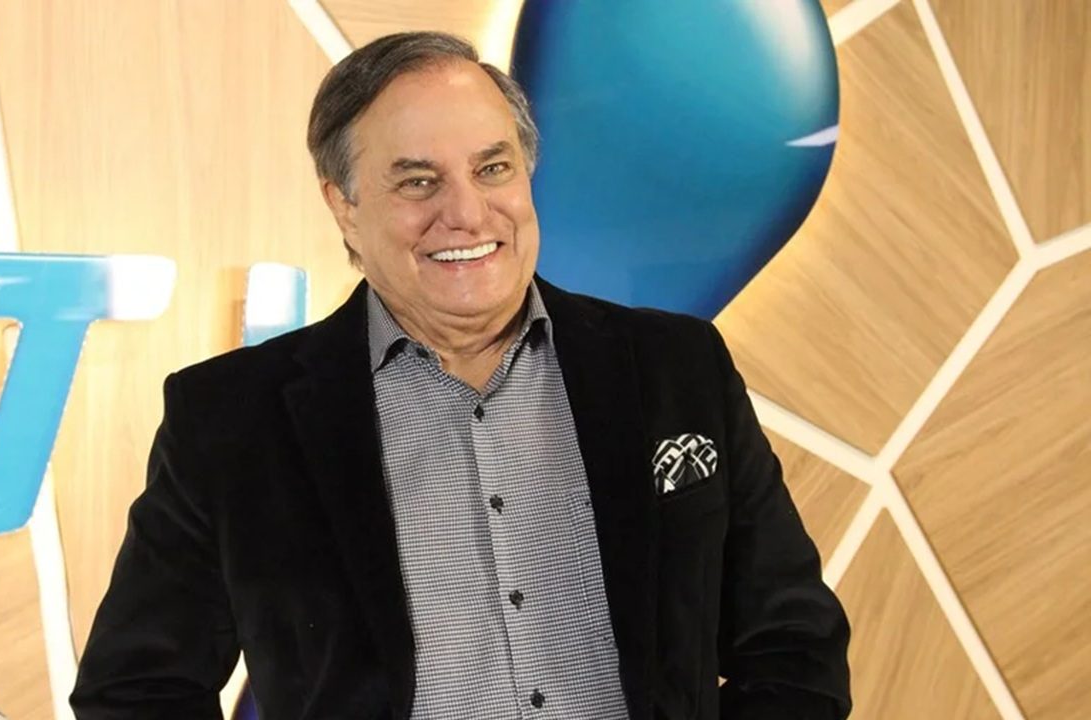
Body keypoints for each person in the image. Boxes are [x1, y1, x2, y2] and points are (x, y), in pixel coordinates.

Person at [71, 31, 851, 720]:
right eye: (418, 181)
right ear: (344, 207)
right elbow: (137, 690)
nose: (468, 213)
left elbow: (794, 644)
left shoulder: (676, 368)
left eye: (492, 168)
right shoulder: (231, 420)